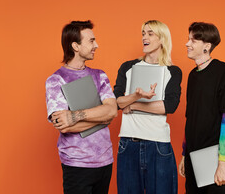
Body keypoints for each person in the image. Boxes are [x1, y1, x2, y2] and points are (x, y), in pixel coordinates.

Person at [45, 20, 117, 194]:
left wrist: (75, 115)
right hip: (77, 164)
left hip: (105, 161)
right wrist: (102, 119)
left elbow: (112, 110)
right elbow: (64, 126)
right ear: (75, 46)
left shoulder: (100, 75)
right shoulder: (55, 81)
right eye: (91, 41)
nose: (96, 45)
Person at [113, 20, 182, 194]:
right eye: (143, 33)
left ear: (162, 40)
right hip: (128, 144)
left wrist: (133, 104)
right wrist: (131, 101)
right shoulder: (128, 67)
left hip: (158, 145)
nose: (145, 37)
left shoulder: (172, 71)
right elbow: (117, 102)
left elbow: (169, 106)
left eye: (150, 34)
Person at [178, 22, 225, 194]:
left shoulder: (224, 72)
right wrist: (184, 154)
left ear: (207, 46)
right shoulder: (192, 75)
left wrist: (223, 163)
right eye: (188, 39)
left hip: (215, 161)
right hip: (192, 159)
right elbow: (190, 118)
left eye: (193, 40)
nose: (187, 44)